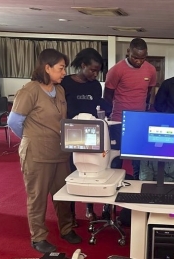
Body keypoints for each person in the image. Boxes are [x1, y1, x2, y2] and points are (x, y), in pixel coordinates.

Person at [7, 49, 81, 253]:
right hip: (37, 154)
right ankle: (38, 237)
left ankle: (66, 229)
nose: (64, 72)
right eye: (61, 68)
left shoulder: (60, 90)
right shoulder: (29, 91)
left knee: (63, 194)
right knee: (37, 197)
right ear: (47, 68)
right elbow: (13, 122)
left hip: (59, 152)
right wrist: (31, 138)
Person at [61, 48, 104, 225]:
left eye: (98, 71)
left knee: (89, 172)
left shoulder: (95, 86)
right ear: (83, 65)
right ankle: (70, 213)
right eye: (92, 70)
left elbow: (96, 109)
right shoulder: (64, 83)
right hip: (69, 133)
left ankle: (89, 209)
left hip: (90, 134)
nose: (95, 74)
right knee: (71, 172)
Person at [104, 37, 157, 180]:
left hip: (139, 122)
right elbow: (107, 96)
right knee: (116, 159)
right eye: (135, 57)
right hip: (118, 121)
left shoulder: (151, 70)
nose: (139, 61)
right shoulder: (117, 70)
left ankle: (137, 190)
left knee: (138, 160)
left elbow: (148, 92)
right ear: (128, 52)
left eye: (142, 58)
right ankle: (111, 195)